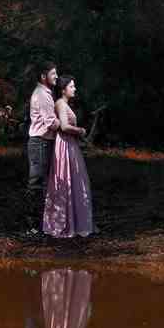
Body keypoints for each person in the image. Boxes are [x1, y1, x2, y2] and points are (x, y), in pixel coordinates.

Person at [43, 76, 95, 238]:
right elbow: (64, 126)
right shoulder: (60, 103)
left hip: (70, 145)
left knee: (76, 180)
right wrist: (80, 130)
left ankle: (76, 221)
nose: (75, 89)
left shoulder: (64, 104)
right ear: (63, 89)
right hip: (65, 145)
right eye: (72, 86)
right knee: (67, 181)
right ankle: (64, 223)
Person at [27, 62, 60, 193]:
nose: (56, 76)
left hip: (42, 142)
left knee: (42, 181)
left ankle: (38, 211)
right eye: (53, 73)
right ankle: (33, 212)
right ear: (43, 76)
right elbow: (51, 123)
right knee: (38, 183)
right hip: (41, 142)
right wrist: (65, 124)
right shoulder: (42, 94)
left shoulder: (45, 93)